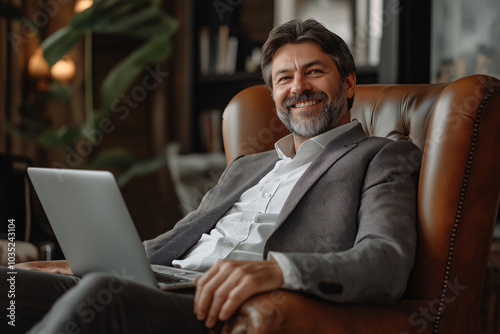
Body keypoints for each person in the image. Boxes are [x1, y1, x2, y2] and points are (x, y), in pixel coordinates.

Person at [1, 19, 421, 333]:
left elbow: (386, 262)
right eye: (283, 78)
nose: (298, 88)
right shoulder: (249, 166)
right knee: (12, 285)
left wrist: (279, 271)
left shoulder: (383, 157)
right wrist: (81, 264)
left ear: (348, 83)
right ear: (274, 94)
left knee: (97, 299)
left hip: (217, 303)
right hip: (164, 281)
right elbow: (175, 240)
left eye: (314, 72)